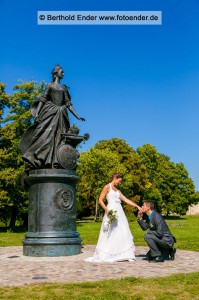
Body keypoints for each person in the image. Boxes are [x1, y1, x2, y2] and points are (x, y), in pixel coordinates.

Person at [19, 64, 85, 169]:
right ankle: (38, 158)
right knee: (43, 134)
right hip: (50, 113)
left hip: (61, 115)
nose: (63, 73)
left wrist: (77, 116)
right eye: (61, 72)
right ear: (56, 74)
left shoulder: (64, 88)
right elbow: (43, 99)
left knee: (60, 137)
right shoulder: (50, 85)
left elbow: (68, 103)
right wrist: (37, 113)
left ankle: (57, 161)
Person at [85, 172, 142, 263]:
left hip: (120, 213)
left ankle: (125, 254)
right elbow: (100, 200)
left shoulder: (118, 191)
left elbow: (126, 200)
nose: (119, 183)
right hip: (111, 212)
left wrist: (137, 206)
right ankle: (109, 253)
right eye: (119, 181)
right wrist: (107, 210)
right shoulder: (107, 187)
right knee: (110, 231)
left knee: (123, 231)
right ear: (115, 178)